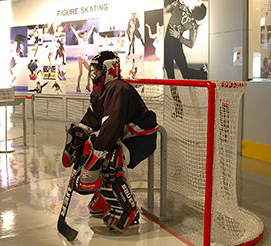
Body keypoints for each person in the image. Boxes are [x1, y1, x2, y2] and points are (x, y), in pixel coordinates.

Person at [61, 51, 159, 232]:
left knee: (108, 160)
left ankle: (127, 210)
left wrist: (94, 159)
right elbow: (92, 120)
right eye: (94, 70)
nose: (94, 74)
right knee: (88, 152)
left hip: (141, 138)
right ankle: (106, 198)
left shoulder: (118, 88)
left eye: (98, 70)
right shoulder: (102, 90)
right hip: (125, 136)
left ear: (110, 69)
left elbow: (111, 125)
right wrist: (77, 137)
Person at [164, 0, 207, 118]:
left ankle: (203, 73)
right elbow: (168, 7)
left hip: (176, 46)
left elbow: (191, 44)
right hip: (168, 46)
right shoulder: (180, 6)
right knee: (171, 79)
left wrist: (179, 37)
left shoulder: (193, 24)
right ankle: (178, 109)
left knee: (185, 74)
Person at [70, 22, 95, 93]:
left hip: (85, 58)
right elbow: (75, 34)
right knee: (81, 73)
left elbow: (90, 33)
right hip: (80, 58)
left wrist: (92, 27)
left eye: (87, 35)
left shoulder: (86, 40)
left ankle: (88, 85)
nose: (86, 36)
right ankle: (77, 86)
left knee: (90, 70)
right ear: (83, 35)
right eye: (85, 35)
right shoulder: (80, 40)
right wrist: (72, 28)